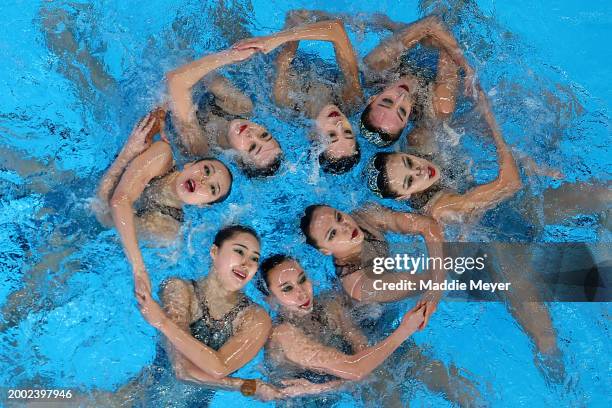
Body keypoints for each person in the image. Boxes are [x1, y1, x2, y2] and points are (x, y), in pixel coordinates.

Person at [258, 255, 482, 406]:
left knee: (419, 361)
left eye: (302, 280)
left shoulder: (329, 303)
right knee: (381, 383)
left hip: (340, 377)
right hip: (310, 399)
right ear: (270, 299)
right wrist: (405, 329)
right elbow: (356, 370)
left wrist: (358, 375)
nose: (302, 294)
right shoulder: (283, 334)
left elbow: (361, 347)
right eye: (287, 289)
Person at [95, 110, 233, 296]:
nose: (203, 181)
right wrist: (126, 154)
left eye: (212, 189)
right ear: (189, 165)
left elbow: (103, 217)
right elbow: (119, 202)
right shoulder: (162, 155)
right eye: (206, 170)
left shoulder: (166, 229)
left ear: (203, 205)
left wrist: (127, 155)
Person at [367, 84, 522, 224]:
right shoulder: (440, 207)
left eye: (409, 162)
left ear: (403, 153)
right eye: (410, 181)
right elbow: (511, 184)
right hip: (506, 214)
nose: (418, 171)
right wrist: (488, 115)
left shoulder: (416, 141)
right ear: (404, 196)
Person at [233, 14, 363, 174]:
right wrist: (278, 38)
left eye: (331, 134)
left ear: (313, 135)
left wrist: (278, 38)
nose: (339, 125)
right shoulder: (352, 100)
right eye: (348, 132)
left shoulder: (287, 101)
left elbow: (293, 18)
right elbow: (337, 28)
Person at [299, 203, 445, 328]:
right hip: (375, 324)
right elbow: (422, 283)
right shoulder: (359, 285)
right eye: (332, 234)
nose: (345, 227)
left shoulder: (366, 217)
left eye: (339, 217)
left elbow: (428, 224)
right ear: (326, 251)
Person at [360, 14, 476, 150]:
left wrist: (466, 65)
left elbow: (432, 22)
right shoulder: (438, 106)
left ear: (372, 99)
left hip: (429, 39)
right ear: (406, 122)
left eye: (387, 101)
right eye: (402, 111)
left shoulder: (375, 69)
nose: (401, 97)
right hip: (466, 40)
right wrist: (466, 67)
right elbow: (448, 49)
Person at [166, 46, 283, 177]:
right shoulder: (241, 107)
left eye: (252, 147)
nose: (252, 134)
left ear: (238, 160)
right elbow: (196, 64)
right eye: (264, 135)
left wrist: (229, 56)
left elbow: (175, 80)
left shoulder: (202, 148)